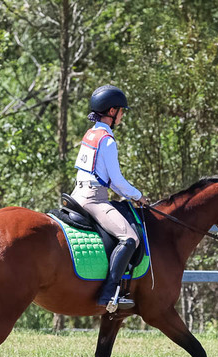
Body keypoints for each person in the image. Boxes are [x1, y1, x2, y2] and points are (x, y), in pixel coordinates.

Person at [70, 84, 149, 312]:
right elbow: (116, 181)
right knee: (130, 238)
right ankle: (108, 293)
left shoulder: (90, 134)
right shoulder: (107, 139)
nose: (123, 115)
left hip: (77, 193)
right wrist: (138, 196)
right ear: (112, 112)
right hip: (94, 199)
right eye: (121, 111)